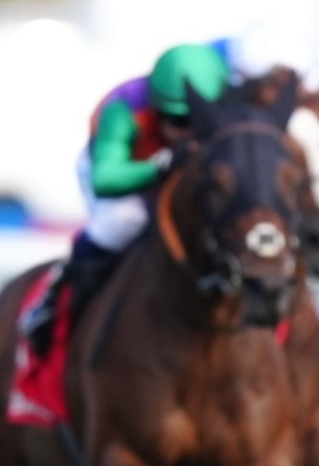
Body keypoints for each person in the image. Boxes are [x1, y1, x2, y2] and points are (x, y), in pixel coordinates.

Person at [22, 43, 230, 355]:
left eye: (200, 121)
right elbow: (105, 178)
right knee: (123, 221)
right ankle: (55, 299)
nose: (190, 133)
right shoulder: (124, 109)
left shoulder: (230, 96)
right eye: (179, 121)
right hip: (127, 170)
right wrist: (160, 166)